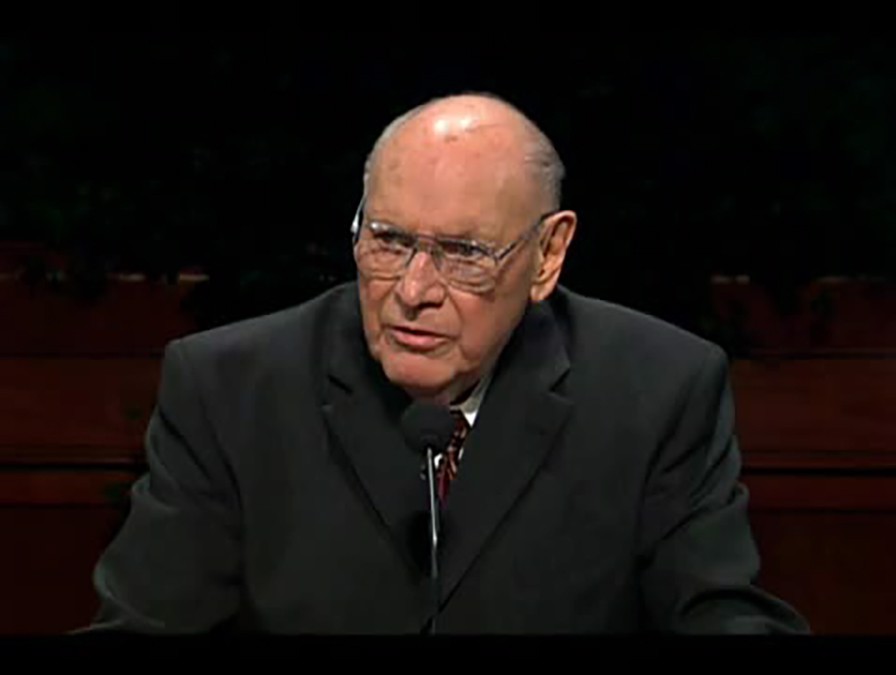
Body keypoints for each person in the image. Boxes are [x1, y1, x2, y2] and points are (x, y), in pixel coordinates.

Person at [85, 92, 809, 634]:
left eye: (463, 254)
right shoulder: (230, 390)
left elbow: (722, 615)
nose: (413, 291)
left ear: (547, 254)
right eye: (389, 241)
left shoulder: (658, 391)